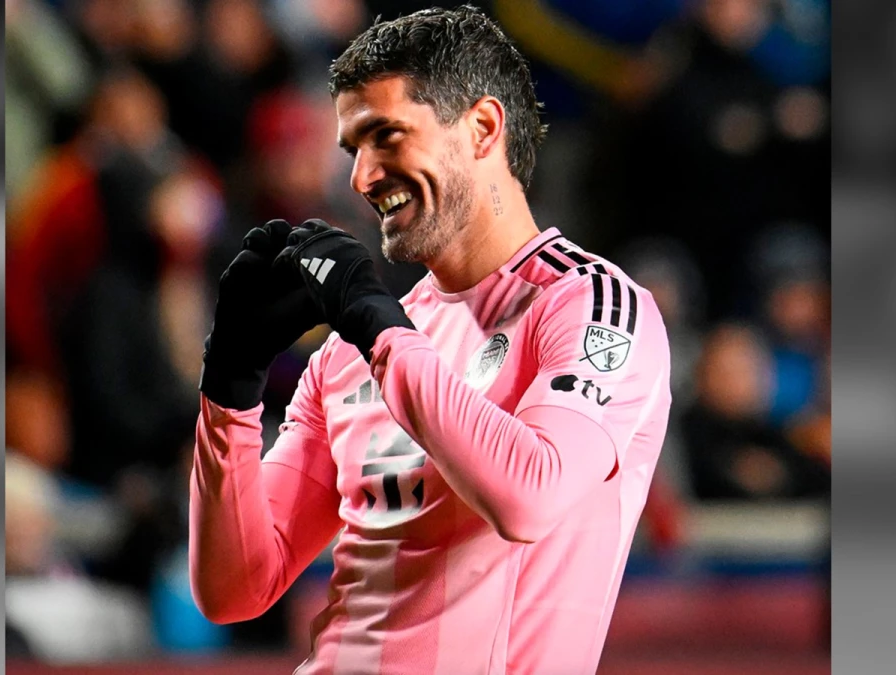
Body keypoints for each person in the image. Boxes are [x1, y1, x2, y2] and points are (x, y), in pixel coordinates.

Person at [189, 6, 672, 674]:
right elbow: (234, 587)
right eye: (353, 149)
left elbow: (528, 494)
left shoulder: (590, 305)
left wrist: (380, 329)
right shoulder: (348, 352)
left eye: (386, 136)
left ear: (481, 128)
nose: (361, 177)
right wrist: (230, 388)